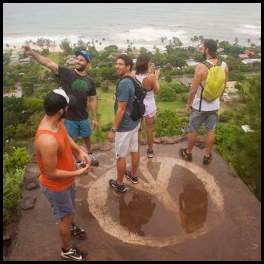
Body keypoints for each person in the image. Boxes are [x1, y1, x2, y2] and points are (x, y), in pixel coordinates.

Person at [34, 88, 91, 261]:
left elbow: (66, 138)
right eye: (67, 107)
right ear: (61, 110)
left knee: (69, 210)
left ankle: (70, 224)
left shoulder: (56, 121)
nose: (69, 109)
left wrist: (79, 151)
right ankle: (66, 250)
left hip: (67, 181)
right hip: (57, 186)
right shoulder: (47, 140)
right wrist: (78, 171)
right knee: (65, 217)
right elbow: (51, 173)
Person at [23, 46, 99, 166]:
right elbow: (47, 62)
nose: (78, 61)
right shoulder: (66, 73)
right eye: (77, 59)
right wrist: (32, 53)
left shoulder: (90, 81)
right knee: (70, 141)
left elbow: (93, 99)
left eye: (81, 60)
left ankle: (89, 154)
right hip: (68, 117)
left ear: (88, 63)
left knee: (87, 136)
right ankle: (79, 161)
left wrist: (94, 117)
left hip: (84, 116)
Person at [180, 39, 229, 165]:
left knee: (193, 130)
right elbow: (224, 84)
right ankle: (207, 155)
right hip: (214, 105)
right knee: (211, 130)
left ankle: (188, 153)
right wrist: (219, 97)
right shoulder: (224, 65)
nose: (201, 49)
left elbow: (193, 90)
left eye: (202, 48)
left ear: (207, 50)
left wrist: (188, 103)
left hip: (200, 105)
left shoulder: (201, 66)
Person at [108, 54, 141, 193]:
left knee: (121, 156)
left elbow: (121, 109)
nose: (117, 66)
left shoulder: (124, 83)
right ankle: (133, 176)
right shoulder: (134, 78)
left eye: (121, 64)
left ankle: (119, 183)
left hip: (125, 126)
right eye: (117, 63)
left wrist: (113, 129)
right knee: (134, 150)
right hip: (135, 122)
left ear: (128, 66)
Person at [134, 54, 160, 158]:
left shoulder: (133, 75)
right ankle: (150, 151)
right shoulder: (151, 77)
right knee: (149, 129)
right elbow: (157, 91)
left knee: (138, 130)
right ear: (146, 64)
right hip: (149, 106)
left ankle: (137, 151)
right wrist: (156, 77)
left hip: (137, 105)